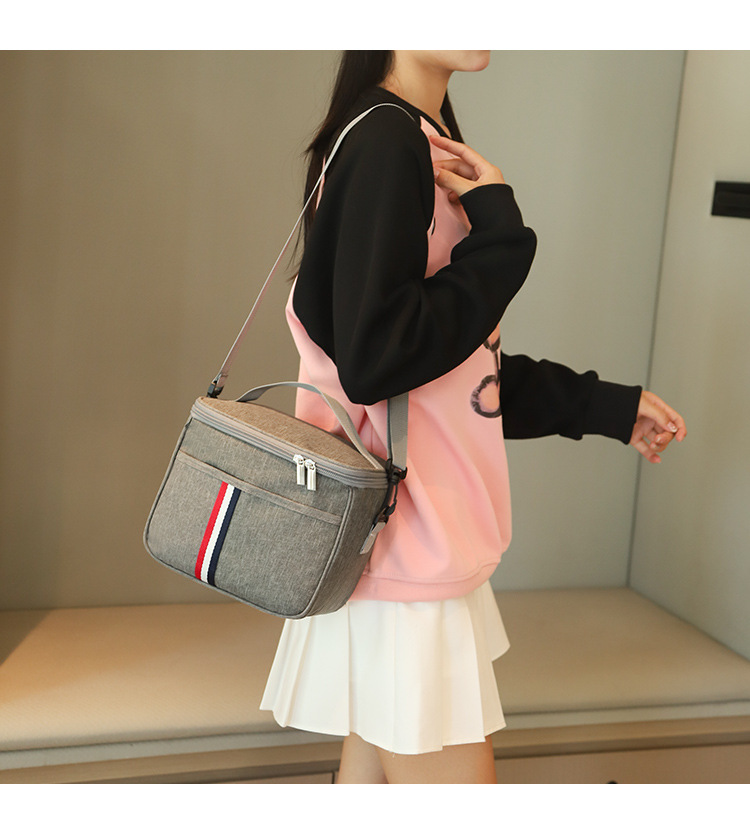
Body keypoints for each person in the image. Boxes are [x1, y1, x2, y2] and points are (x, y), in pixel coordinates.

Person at [260, 50, 687, 784]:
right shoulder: (386, 140)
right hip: (406, 549)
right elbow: (377, 359)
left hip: (400, 547)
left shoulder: (414, 138)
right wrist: (502, 236)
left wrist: (608, 408)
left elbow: (455, 374)